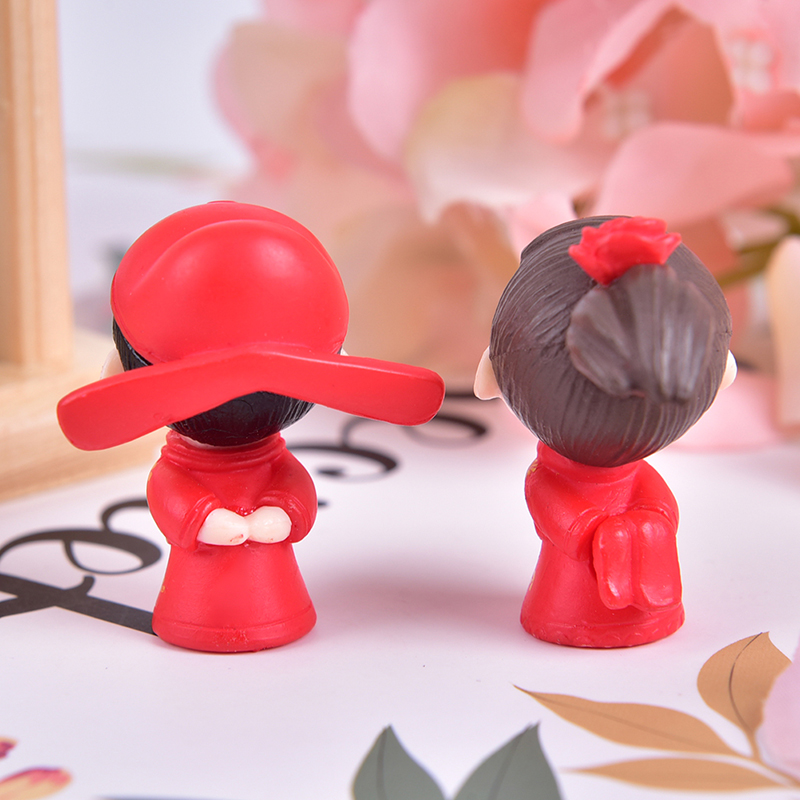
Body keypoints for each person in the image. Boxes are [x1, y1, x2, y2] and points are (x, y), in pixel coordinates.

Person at [58, 201, 445, 653]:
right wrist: (202, 517)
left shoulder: (269, 459)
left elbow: (290, 481)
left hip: (277, 596)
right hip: (193, 605)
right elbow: (170, 488)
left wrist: (284, 511)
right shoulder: (181, 465)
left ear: (120, 368)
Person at [475, 216, 734, 647]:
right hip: (565, 605)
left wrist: (652, 519)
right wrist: (599, 532)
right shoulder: (549, 478)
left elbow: (652, 494)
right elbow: (556, 509)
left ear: (495, 371)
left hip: (594, 592)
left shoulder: (608, 474)